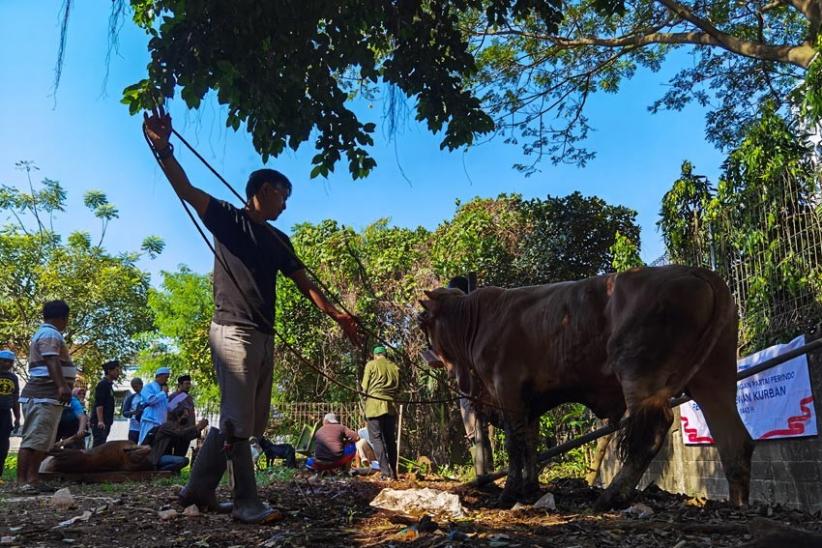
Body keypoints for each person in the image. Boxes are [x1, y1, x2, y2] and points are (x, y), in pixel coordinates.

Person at [143, 105, 361, 524]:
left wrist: (339, 316)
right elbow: (186, 190)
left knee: (244, 422)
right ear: (261, 189)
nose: (285, 203)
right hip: (233, 330)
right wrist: (163, 147)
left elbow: (306, 283)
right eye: (282, 194)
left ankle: (198, 491)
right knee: (239, 421)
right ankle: (246, 502)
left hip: (263, 334)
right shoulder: (227, 218)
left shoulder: (279, 239)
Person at [16, 300, 76, 493]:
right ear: (62, 317)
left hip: (47, 396)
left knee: (41, 440)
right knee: (34, 439)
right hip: (43, 395)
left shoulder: (47, 333)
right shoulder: (50, 333)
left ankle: (32, 478)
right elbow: (51, 360)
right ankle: (24, 481)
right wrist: (62, 386)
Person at [362, 346, 400, 480]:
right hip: (390, 406)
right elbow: (398, 388)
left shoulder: (371, 365)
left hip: (374, 406)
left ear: (375, 355)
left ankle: (385, 473)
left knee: (376, 439)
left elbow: (364, 387)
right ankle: (394, 473)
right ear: (385, 355)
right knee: (390, 440)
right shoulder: (394, 367)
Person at [148, 407, 208, 473]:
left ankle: (166, 472)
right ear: (178, 416)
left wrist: (199, 429)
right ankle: (160, 471)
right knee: (183, 460)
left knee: (183, 460)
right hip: (158, 457)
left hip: (166, 456)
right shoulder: (167, 425)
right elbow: (180, 433)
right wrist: (196, 426)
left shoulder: (178, 427)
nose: (187, 418)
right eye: (185, 416)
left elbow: (186, 437)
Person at [90, 360, 120, 447]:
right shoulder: (102, 384)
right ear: (109, 371)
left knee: (102, 444)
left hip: (106, 421)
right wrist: (100, 421)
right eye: (116, 370)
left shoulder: (109, 385)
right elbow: (99, 404)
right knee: (98, 446)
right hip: (100, 422)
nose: (118, 373)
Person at [0, 350, 21, 472]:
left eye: (10, 362)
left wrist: (17, 417)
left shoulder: (13, 378)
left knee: (3, 443)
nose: (7, 364)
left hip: (5, 413)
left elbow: (15, 398)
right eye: (4, 361)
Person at [138, 367, 170, 445]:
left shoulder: (163, 389)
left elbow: (165, 407)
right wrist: (163, 393)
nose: (167, 380)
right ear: (159, 376)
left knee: (156, 446)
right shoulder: (148, 387)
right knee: (145, 444)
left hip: (161, 423)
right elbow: (150, 400)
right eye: (166, 377)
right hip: (150, 421)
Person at [121, 378, 144, 444]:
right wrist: (133, 412)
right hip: (134, 428)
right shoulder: (131, 398)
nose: (135, 389)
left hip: (145, 427)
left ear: (141, 385)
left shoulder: (148, 397)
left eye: (136, 386)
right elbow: (124, 412)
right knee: (132, 447)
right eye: (133, 387)